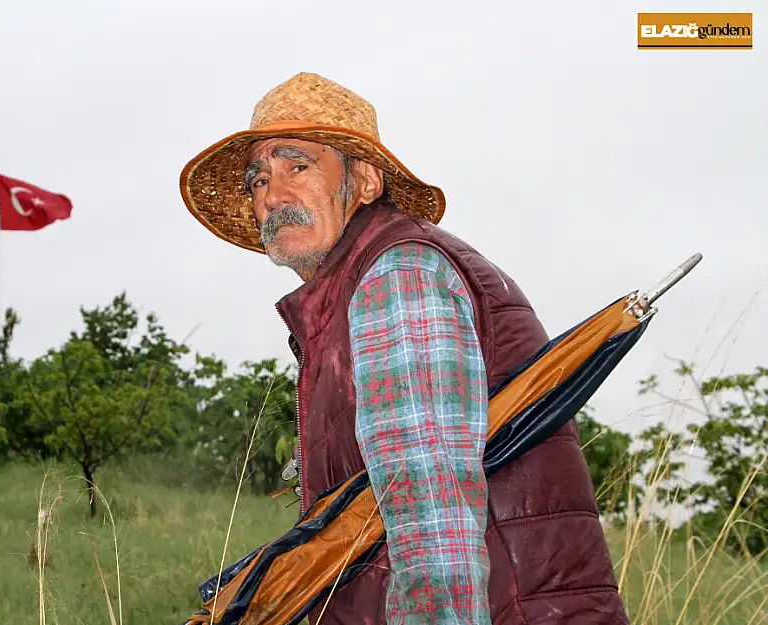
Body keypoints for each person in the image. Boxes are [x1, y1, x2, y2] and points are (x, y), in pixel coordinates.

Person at [178, 72, 630, 625]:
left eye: (297, 166)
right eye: (258, 180)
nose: (273, 195)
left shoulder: (399, 274)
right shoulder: (357, 289)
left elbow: (430, 513)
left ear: (364, 182)